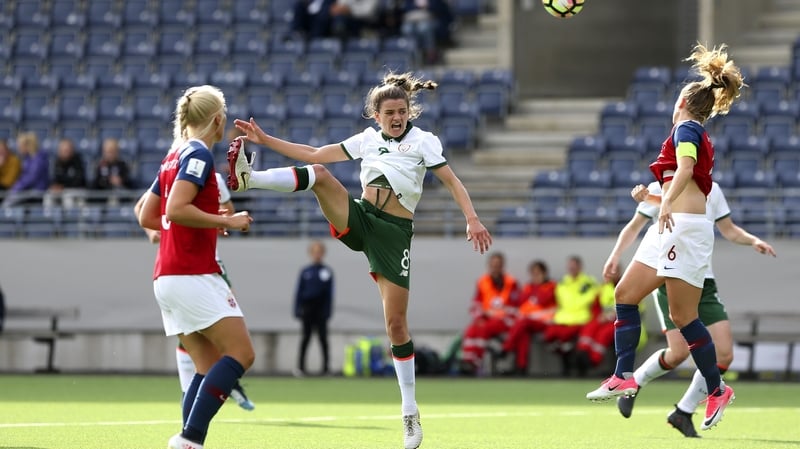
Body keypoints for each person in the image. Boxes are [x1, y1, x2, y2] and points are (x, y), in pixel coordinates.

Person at [228, 71, 493, 449]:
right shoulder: (368, 140)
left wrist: (472, 218)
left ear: (409, 111)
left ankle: (409, 410)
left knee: (396, 325)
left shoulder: (423, 141)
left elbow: (452, 181)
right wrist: (265, 139)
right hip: (361, 218)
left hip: (393, 234)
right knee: (320, 173)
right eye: (390, 112)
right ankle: (249, 180)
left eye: (402, 111)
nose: (397, 117)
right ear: (376, 115)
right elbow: (315, 154)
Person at [585, 43, 745, 431]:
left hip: (684, 230)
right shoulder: (688, 129)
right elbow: (684, 180)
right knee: (624, 293)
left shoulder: (687, 127)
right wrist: (655, 197)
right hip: (672, 225)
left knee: (683, 316)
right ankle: (624, 375)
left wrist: (667, 201)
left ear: (684, 101)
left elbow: (687, 169)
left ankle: (716, 388)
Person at [606, 180, 776, 437]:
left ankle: (682, 412)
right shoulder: (660, 187)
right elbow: (634, 227)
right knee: (678, 353)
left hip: (703, 280)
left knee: (725, 354)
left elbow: (728, 230)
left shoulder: (712, 189)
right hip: (669, 275)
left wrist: (753, 240)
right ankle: (636, 382)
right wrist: (615, 256)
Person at [136, 85, 255, 449]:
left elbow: (147, 214)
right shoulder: (199, 155)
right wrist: (229, 222)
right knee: (242, 354)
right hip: (193, 273)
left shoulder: (173, 155)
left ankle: (190, 441)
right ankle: (189, 439)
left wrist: (203, 223)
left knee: (206, 366)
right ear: (218, 120)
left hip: (167, 275)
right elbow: (173, 210)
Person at [134, 171, 256, 412]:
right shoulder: (177, 173)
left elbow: (228, 211)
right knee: (213, 342)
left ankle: (218, 384)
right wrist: (152, 232)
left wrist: (222, 221)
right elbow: (142, 208)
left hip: (210, 265)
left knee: (219, 332)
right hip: (185, 268)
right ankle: (207, 385)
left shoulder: (213, 178)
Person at [459, 251, 519, 376]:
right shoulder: (482, 282)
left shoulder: (511, 283)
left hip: (504, 321)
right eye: (493, 265)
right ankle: (468, 360)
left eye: (498, 264)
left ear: (502, 266)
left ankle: (476, 361)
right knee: (471, 329)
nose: (495, 267)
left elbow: (515, 308)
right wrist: (481, 316)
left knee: (483, 329)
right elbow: (476, 304)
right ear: (489, 266)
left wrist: (497, 314)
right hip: (486, 319)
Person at [542, 255, 598, 376]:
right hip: (562, 319)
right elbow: (560, 302)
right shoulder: (562, 283)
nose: (572, 269)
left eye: (574, 266)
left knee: (579, 342)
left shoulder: (588, 283)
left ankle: (578, 366)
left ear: (580, 267)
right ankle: (566, 357)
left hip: (581, 319)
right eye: (570, 266)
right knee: (549, 336)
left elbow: (587, 301)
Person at [499, 260, 556, 375]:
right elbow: (522, 303)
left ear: (544, 273)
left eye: (537, 273)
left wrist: (532, 314)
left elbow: (546, 303)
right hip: (527, 321)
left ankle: (506, 348)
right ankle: (522, 366)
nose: (535, 276)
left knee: (523, 323)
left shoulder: (551, 286)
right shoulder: (528, 287)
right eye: (533, 273)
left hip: (543, 321)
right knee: (523, 333)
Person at [293, 240, 335, 377]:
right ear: (311, 254)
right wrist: (297, 309)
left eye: (319, 252)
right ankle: (300, 368)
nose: (317, 255)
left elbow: (330, 294)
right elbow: (299, 291)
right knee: (306, 337)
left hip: (321, 308)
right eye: (314, 252)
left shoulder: (327, 272)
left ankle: (326, 368)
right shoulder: (306, 271)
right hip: (307, 308)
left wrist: (328, 311)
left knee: (323, 338)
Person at [573, 267, 623, 377]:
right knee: (589, 327)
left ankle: (593, 360)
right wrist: (600, 317)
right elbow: (595, 307)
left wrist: (611, 316)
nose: (613, 274)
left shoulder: (627, 286)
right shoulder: (603, 288)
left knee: (603, 334)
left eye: (615, 271)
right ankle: (582, 353)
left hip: (622, 322)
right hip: (604, 319)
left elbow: (635, 308)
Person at [2, 132, 49, 207]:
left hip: (35, 192)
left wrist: (16, 188)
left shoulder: (38, 159)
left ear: (27, 146)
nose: (19, 148)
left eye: (20, 146)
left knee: (7, 204)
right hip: (26, 191)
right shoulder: (28, 159)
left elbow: (30, 179)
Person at [44, 138, 87, 209]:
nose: (64, 152)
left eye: (66, 150)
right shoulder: (57, 162)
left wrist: (63, 186)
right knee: (48, 195)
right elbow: (56, 178)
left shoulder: (78, 161)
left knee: (67, 196)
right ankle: (48, 217)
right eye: (62, 150)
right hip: (63, 190)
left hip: (78, 190)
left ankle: (68, 218)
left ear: (72, 150)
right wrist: (55, 186)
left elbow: (78, 180)